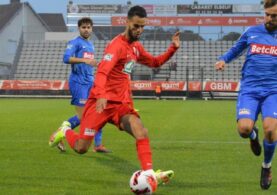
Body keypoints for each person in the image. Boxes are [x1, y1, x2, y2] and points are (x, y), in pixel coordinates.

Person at [49, 5, 180, 186]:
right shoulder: (116, 46)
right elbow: (102, 72)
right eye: (136, 26)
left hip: (120, 105)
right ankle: (65, 131)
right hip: (99, 103)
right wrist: (102, 95)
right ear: (127, 22)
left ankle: (149, 174)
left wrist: (172, 48)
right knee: (81, 148)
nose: (139, 30)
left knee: (141, 130)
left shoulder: (136, 47)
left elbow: (155, 62)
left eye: (142, 26)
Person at [215, 0, 277, 189]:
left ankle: (266, 166)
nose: (269, 18)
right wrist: (223, 60)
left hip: (273, 90)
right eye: (267, 14)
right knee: (243, 129)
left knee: (271, 130)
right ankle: (252, 136)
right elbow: (236, 49)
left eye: (274, 15)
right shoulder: (252, 31)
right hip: (250, 89)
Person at [56, 17, 110, 153]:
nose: (86, 29)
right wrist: (84, 60)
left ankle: (98, 145)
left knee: (98, 111)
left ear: (92, 28)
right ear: (79, 28)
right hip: (78, 82)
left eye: (88, 27)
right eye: (83, 27)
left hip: (90, 82)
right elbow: (66, 58)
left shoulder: (91, 44)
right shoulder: (75, 42)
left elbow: (88, 63)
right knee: (82, 117)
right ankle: (61, 132)